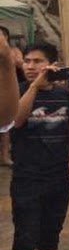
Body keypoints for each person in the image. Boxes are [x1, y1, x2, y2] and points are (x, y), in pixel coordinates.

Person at [11, 43, 69, 250]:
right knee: (25, 238)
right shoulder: (16, 90)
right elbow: (16, 120)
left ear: (51, 65)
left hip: (58, 177)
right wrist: (34, 87)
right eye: (27, 61)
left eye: (37, 61)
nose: (30, 66)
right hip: (27, 177)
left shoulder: (64, 95)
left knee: (50, 235)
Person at [0, 26, 19, 164]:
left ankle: (5, 155)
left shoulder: (12, 52)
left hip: (9, 86)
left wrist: (8, 60)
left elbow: (5, 119)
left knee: (5, 128)